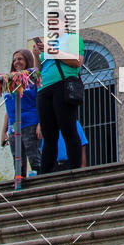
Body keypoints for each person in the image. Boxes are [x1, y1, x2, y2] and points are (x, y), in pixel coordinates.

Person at [33, 16, 85, 173]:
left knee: (68, 129)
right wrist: (36, 55)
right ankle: (45, 174)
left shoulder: (72, 38)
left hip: (63, 85)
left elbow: (77, 61)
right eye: (49, 24)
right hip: (44, 89)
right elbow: (38, 72)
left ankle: (76, 171)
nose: (51, 26)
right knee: (49, 135)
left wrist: (51, 51)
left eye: (55, 22)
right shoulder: (50, 45)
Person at [0, 48, 41, 177]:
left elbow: (40, 102)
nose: (16, 62)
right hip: (13, 128)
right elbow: (9, 109)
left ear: (27, 60)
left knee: (35, 158)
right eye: (14, 60)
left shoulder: (33, 78)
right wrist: (4, 131)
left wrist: (41, 123)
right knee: (18, 165)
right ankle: (19, 186)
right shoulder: (10, 82)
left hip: (31, 124)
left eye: (20, 59)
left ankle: (41, 184)